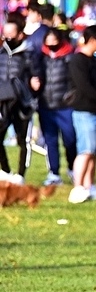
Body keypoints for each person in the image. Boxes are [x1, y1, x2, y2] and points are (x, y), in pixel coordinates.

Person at [66, 25, 96, 203]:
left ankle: (90, 186)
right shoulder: (77, 61)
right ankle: (78, 187)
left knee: (93, 152)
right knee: (85, 150)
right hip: (85, 111)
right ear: (93, 40)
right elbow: (84, 86)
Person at [0, 11, 40, 184]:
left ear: (20, 34)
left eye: (11, 34)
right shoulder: (1, 53)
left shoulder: (28, 54)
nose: (7, 37)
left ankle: (21, 174)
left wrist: (34, 83)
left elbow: (36, 75)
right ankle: (5, 171)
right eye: (5, 33)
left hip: (22, 103)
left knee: (22, 139)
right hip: (3, 102)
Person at [37, 27, 76, 187]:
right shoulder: (40, 57)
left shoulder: (69, 57)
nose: (51, 43)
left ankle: (73, 168)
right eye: (49, 40)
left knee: (70, 138)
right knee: (50, 140)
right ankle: (53, 172)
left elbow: (73, 81)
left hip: (64, 106)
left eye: (54, 40)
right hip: (46, 104)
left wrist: (70, 97)